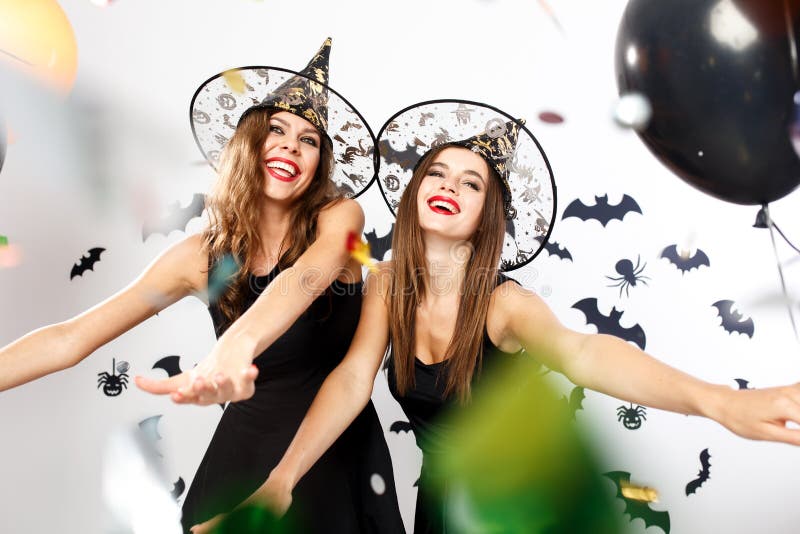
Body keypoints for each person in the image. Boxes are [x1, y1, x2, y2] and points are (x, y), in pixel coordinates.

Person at [178, 102, 800, 534]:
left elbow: (583, 353)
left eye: (471, 183)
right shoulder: (385, 284)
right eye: (438, 172)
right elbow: (350, 379)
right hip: (442, 505)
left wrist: (717, 401)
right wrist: (282, 481)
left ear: (488, 214)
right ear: (417, 188)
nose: (448, 185)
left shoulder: (506, 305)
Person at [0, 39, 405, 534]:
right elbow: (71, 338)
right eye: (276, 129)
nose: (291, 147)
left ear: (319, 164)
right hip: (242, 463)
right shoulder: (200, 257)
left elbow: (305, 279)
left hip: (336, 459)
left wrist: (238, 343)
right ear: (248, 144)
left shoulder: (341, 219)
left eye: (309, 140)